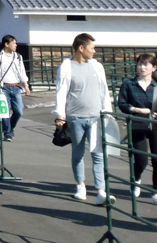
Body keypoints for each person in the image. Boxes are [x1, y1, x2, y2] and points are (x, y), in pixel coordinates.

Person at [54, 33, 113, 204]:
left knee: (98, 154)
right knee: (78, 153)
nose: (94, 51)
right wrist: (60, 114)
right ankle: (81, 185)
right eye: (92, 48)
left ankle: (101, 190)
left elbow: (104, 90)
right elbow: (61, 92)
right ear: (81, 48)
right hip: (75, 118)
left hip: (95, 117)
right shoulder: (66, 67)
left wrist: (106, 112)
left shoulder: (96, 66)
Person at [118, 53, 157, 206]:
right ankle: (136, 179)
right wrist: (137, 110)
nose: (142, 67)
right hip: (137, 124)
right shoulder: (129, 84)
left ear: (154, 68)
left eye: (146, 64)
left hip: (156, 126)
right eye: (140, 64)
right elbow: (122, 104)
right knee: (141, 159)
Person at [0, 35, 30, 140]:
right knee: (5, 111)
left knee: (19, 111)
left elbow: (22, 72)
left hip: (16, 87)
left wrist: (26, 84)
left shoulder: (18, 57)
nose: (16, 45)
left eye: (15, 43)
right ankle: (7, 132)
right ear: (6, 44)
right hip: (3, 87)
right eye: (13, 43)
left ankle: (10, 127)